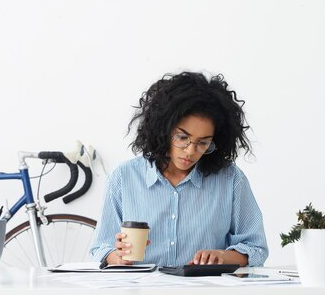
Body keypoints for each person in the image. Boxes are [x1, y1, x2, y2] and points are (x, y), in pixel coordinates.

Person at [89, 71, 268, 267]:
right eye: (182, 138)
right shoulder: (124, 178)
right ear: (163, 130)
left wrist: (222, 257)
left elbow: (256, 248)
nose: (191, 151)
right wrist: (118, 257)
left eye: (203, 143)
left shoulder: (231, 180)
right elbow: (101, 247)